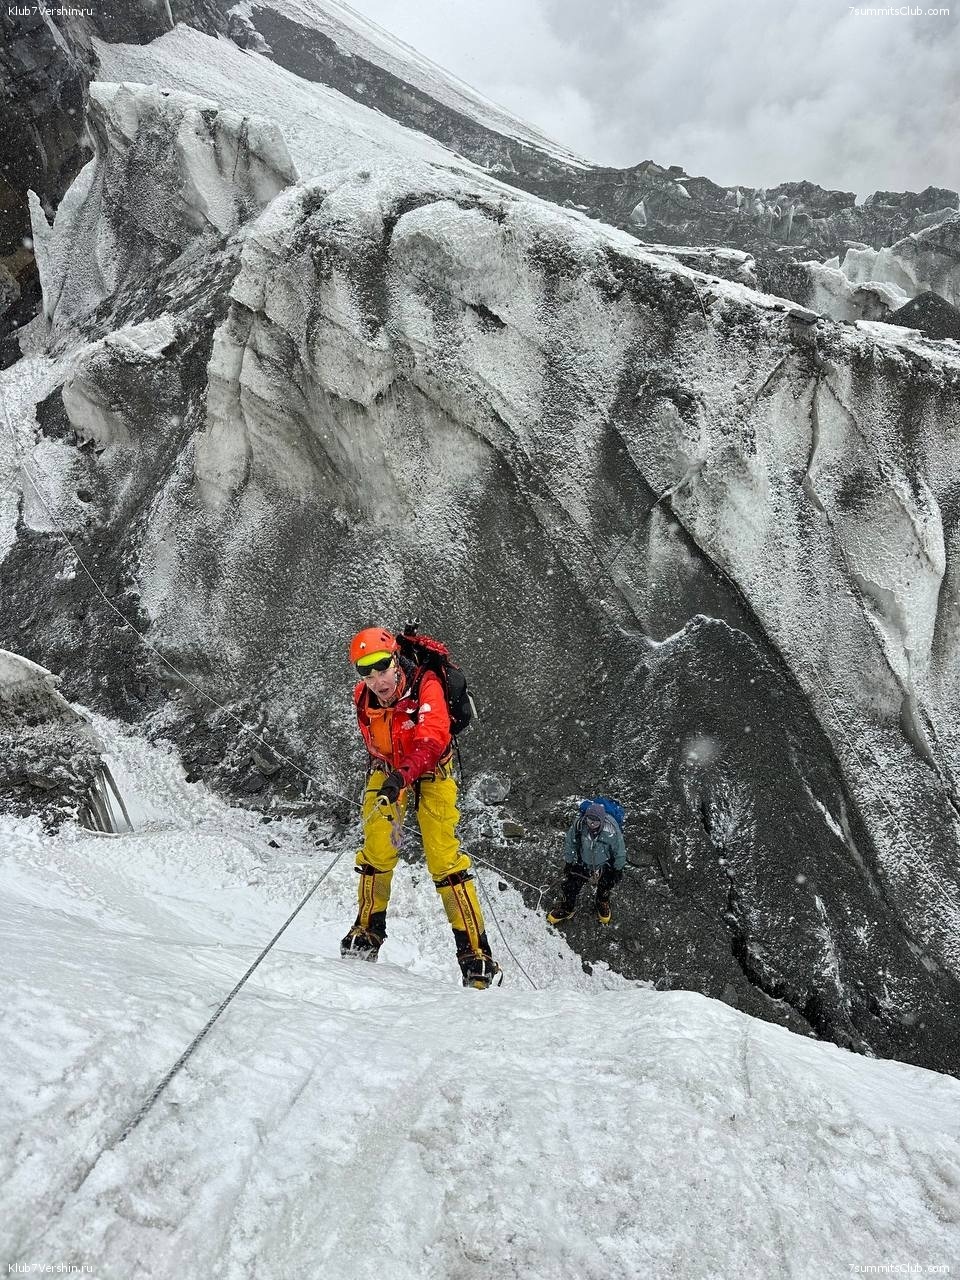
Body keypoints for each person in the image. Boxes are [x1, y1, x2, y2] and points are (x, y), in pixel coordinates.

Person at [340, 626, 501, 989]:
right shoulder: (362, 697)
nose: (377, 680)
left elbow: (431, 741)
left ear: (395, 660)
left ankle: (475, 954)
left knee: (443, 859)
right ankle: (366, 930)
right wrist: (392, 777)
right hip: (389, 771)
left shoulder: (427, 685)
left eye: (382, 668)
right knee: (377, 848)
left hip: (431, 771)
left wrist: (402, 776)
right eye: (366, 672)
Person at [547, 800, 626, 926]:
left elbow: (619, 851)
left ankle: (602, 901)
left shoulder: (612, 830)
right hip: (583, 861)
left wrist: (618, 869)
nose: (592, 825)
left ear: (602, 821)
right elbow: (570, 842)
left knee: (606, 885)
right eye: (590, 820)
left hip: (605, 863)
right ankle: (567, 908)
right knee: (570, 886)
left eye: (596, 822)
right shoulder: (579, 824)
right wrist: (569, 862)